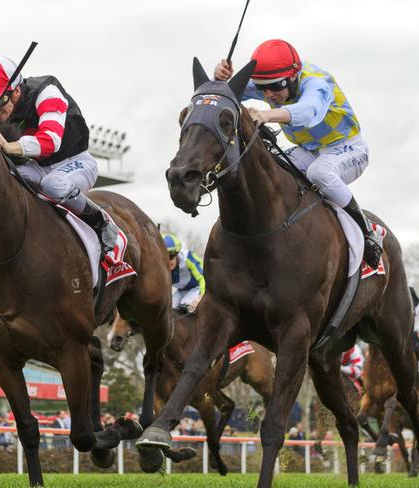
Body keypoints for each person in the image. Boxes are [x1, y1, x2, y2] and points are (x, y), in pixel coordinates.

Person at [214, 39, 382, 268]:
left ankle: (368, 233)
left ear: (293, 76)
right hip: (310, 150)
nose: (269, 94)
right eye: (262, 88)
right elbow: (226, 94)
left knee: (319, 173)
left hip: (348, 148)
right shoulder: (273, 84)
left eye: (275, 87)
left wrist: (265, 115)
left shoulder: (316, 83)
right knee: (270, 170)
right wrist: (221, 79)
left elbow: (308, 111)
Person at [0, 55, 119, 253]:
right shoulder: (5, 108)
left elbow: (49, 142)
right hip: (40, 166)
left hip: (76, 161)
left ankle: (101, 221)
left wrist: (10, 147)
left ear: (16, 91)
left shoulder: (47, 92)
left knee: (52, 185)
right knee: (6, 176)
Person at [162, 233, 205, 312]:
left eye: (170, 256)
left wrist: (201, 297)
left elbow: (203, 278)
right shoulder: (159, 266)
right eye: (164, 257)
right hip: (180, 291)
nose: (168, 261)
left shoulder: (188, 258)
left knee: (184, 306)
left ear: (177, 253)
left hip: (196, 288)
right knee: (169, 309)